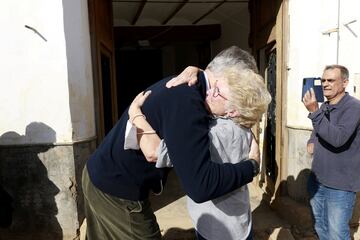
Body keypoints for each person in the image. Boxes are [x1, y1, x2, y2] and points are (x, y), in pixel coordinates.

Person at [82, 46, 262, 240]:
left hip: (98, 173)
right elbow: (201, 186)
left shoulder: (191, 87)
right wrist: (251, 167)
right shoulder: (189, 104)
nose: (227, 113)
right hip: (115, 189)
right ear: (228, 77)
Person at [126, 66, 271, 240]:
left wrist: (135, 114)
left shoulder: (215, 134)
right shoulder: (244, 128)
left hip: (217, 228)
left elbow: (154, 152)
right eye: (214, 86)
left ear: (233, 110)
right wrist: (196, 70)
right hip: (240, 220)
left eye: (217, 92)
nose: (209, 92)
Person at [302, 64, 360, 240]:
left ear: (345, 82)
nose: (325, 84)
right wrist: (312, 141)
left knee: (336, 233)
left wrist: (314, 111)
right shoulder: (325, 107)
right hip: (317, 180)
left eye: (331, 80)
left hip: (341, 185)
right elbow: (317, 130)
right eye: (323, 80)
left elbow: (338, 139)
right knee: (320, 226)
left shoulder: (354, 108)